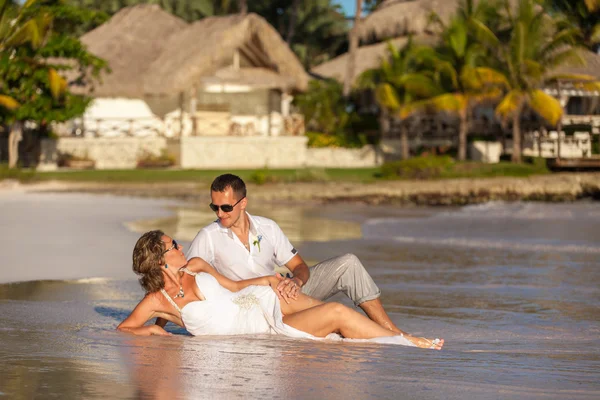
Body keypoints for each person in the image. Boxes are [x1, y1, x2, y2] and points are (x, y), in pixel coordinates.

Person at [185, 174, 433, 344]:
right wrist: (163, 323)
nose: (219, 213)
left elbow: (299, 266)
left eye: (225, 207)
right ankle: (382, 337)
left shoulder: (268, 227)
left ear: (243, 203)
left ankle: (391, 331)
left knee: (348, 262)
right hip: (254, 307)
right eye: (214, 207)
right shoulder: (208, 236)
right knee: (336, 316)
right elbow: (183, 279)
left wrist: (296, 282)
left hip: (288, 293)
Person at [118, 230, 443, 350]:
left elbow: (232, 287)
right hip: (256, 326)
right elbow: (125, 329)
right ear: (161, 261)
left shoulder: (198, 265)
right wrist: (157, 335)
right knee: (337, 315)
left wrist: (269, 280)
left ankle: (401, 339)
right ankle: (404, 342)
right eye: (173, 245)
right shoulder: (156, 301)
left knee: (336, 321)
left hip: (262, 298)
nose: (181, 245)